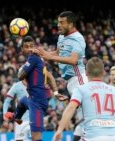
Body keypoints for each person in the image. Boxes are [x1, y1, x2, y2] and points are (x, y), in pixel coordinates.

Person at [30, 11, 88, 141]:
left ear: (71, 24)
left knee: (86, 115)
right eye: (58, 22)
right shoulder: (62, 37)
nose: (58, 25)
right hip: (70, 81)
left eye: (62, 22)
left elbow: (73, 60)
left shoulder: (78, 38)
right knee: (82, 116)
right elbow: (57, 52)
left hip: (79, 78)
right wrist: (41, 53)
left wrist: (50, 57)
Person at [52, 57, 115, 141]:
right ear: (104, 73)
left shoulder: (81, 89)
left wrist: (60, 130)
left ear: (86, 73)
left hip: (92, 136)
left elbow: (70, 108)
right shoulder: (114, 90)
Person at [16, 35, 54, 141]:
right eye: (26, 46)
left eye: (31, 46)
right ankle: (17, 117)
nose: (29, 49)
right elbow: (50, 77)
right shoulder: (35, 59)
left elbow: (20, 76)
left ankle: (17, 118)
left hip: (37, 101)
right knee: (21, 102)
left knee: (35, 137)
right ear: (22, 49)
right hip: (32, 98)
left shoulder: (34, 58)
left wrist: (23, 68)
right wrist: (55, 92)